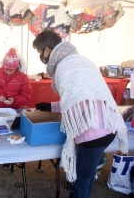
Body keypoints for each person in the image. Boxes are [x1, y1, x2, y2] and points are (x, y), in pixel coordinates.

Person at [32, 30, 128, 198]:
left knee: (82, 178)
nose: (41, 56)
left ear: (47, 50)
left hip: (92, 131)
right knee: (87, 174)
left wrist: (52, 106)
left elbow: (73, 102)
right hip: (107, 125)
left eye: (40, 52)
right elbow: (78, 98)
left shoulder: (64, 67)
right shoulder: (81, 60)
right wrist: (50, 106)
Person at [0, 47, 32, 169]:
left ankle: (7, 159)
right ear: (3, 65)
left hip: (14, 111)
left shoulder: (23, 77)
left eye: (11, 70)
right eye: (6, 69)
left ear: (17, 66)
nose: (8, 72)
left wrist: (14, 100)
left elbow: (26, 95)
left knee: (9, 135)